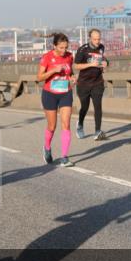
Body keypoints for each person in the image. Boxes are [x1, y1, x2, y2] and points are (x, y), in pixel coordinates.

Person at [37, 33, 75, 167]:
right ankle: (47, 147)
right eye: (61, 48)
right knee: (52, 126)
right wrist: (53, 70)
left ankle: (64, 157)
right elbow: (40, 77)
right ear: (54, 46)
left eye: (66, 47)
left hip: (65, 93)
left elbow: (70, 73)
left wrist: (72, 78)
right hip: (50, 94)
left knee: (66, 124)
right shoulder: (47, 57)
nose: (64, 50)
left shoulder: (70, 56)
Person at [74, 28, 108, 141]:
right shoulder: (83, 49)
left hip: (97, 82)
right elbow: (76, 66)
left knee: (98, 106)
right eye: (95, 39)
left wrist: (105, 63)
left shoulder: (101, 47)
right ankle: (80, 124)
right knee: (85, 107)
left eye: (99, 39)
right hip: (83, 83)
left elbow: (104, 60)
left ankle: (97, 131)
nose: (97, 41)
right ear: (90, 38)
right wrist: (90, 65)